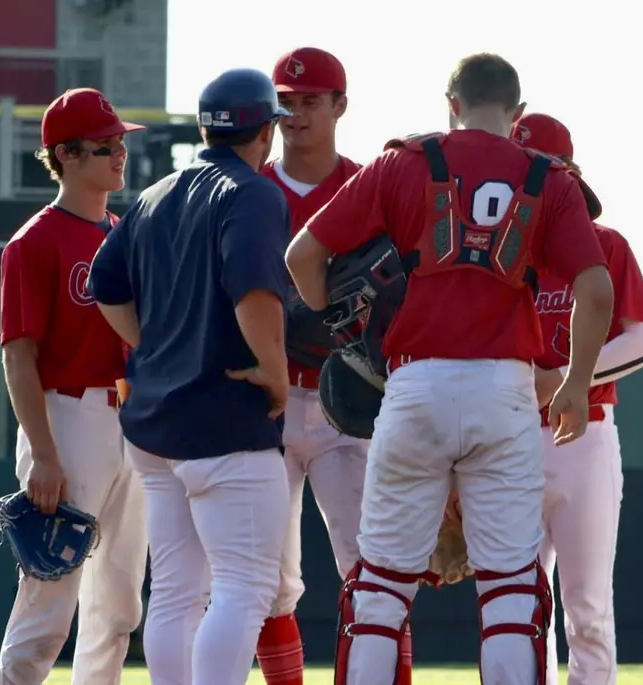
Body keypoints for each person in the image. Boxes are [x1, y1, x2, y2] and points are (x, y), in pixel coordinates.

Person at [286, 52, 615, 685]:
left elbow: (304, 256)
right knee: (511, 594)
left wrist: (342, 328)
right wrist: (575, 384)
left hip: (415, 383)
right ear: (517, 115)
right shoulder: (550, 178)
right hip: (505, 390)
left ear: (451, 104)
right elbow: (596, 289)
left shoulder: (402, 163)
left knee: (379, 589)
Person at [87, 67, 293, 685]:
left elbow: (105, 286)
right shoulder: (253, 191)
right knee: (244, 587)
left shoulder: (155, 194)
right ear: (266, 131)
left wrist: (155, 346)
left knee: (177, 590)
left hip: (155, 427)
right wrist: (278, 373)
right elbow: (255, 291)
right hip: (224, 420)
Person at [0, 87, 148, 685]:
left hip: (127, 419)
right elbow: (18, 356)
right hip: (66, 415)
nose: (119, 154)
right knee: (49, 598)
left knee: (119, 605)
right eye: (105, 145)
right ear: (66, 154)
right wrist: (43, 455)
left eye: (119, 143)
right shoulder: (34, 241)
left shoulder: (124, 233)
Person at [513, 112, 643, 685]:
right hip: (509, 436)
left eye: (544, 171)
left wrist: (566, 377)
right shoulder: (497, 253)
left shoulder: (604, 245)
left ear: (570, 176)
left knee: (589, 608)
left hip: (586, 431)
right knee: (516, 603)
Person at [254, 47, 370, 685]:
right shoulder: (248, 187)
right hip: (263, 400)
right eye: (287, 102)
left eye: (311, 101)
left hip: (346, 398)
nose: (296, 114)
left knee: (371, 569)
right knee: (269, 579)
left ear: (339, 106)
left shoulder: (366, 185)